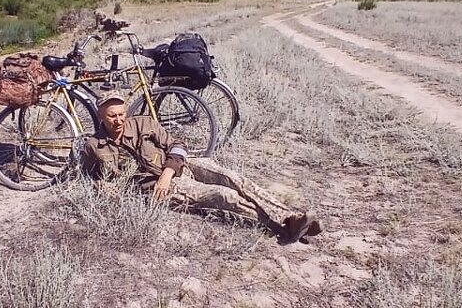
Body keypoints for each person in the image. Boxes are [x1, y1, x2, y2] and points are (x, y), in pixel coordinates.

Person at [80, 91, 322, 244]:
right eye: (112, 116)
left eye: (121, 114)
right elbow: (87, 175)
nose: (119, 120)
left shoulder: (142, 123)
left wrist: (168, 171)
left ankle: (290, 216)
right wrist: (100, 184)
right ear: (101, 116)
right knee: (224, 196)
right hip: (159, 189)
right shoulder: (93, 146)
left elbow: (178, 145)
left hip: (178, 168)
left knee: (233, 178)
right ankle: (283, 227)